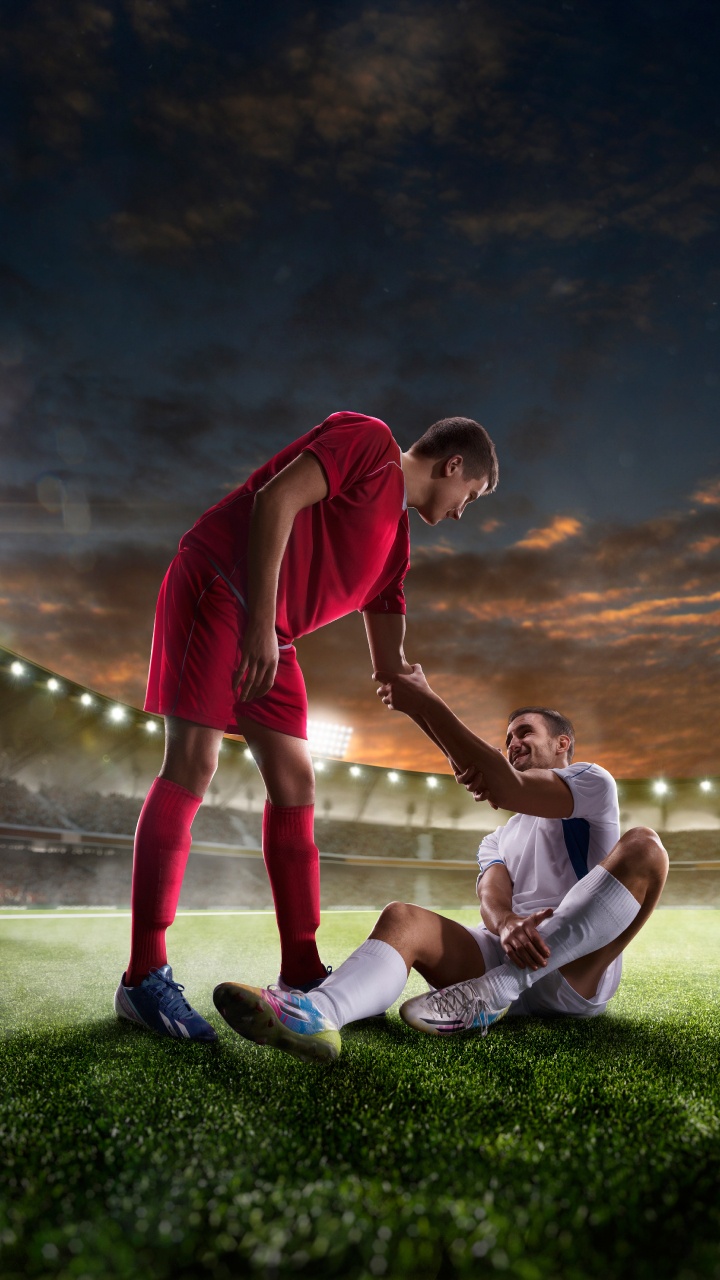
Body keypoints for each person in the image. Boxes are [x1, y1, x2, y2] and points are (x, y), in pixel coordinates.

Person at [114, 414, 499, 1041]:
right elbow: (276, 498)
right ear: (453, 465)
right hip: (221, 584)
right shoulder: (371, 444)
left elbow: (394, 674)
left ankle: (299, 970)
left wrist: (459, 750)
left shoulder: (395, 547)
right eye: (472, 497)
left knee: (297, 781)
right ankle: (141, 977)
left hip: (274, 633)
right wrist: (262, 623)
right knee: (193, 763)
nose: (462, 512)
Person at [213, 681, 668, 1062]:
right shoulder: (499, 837)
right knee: (402, 918)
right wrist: (507, 924)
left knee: (646, 847)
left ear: (562, 743)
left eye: (524, 732)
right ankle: (319, 1012)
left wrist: (424, 702)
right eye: (508, 739)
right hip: (505, 954)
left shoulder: (593, 785)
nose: (513, 744)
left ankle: (500, 988)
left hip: (572, 973)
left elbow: (506, 786)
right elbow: (493, 893)